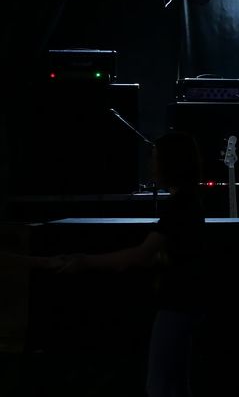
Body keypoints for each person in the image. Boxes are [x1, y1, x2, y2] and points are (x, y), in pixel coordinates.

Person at [60, 131, 207, 397]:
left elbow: (141, 255)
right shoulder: (189, 203)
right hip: (186, 305)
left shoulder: (180, 206)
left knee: (160, 386)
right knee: (175, 385)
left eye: (156, 159)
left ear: (170, 163)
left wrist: (86, 262)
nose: (151, 166)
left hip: (176, 305)